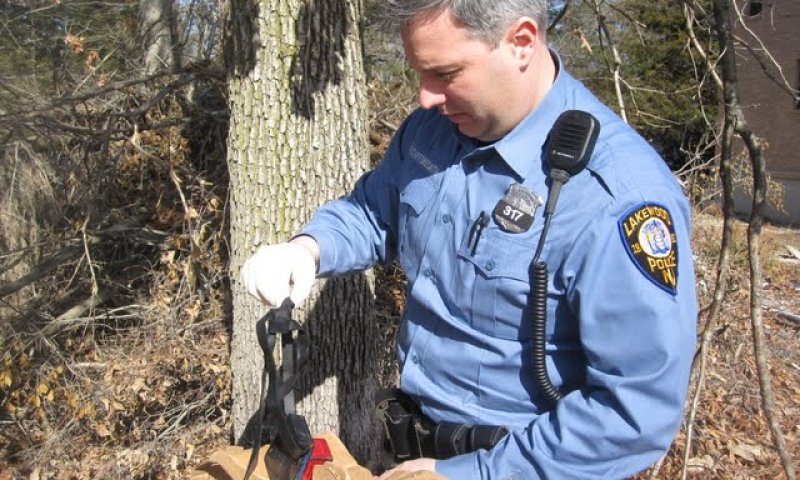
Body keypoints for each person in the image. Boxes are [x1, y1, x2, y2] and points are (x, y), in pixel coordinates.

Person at [240, 1, 698, 479]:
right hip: (403, 449)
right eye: (419, 72)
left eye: (446, 73)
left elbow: (633, 415)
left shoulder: (617, 197)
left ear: (521, 42)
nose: (425, 97)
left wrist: (469, 474)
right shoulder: (434, 130)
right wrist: (308, 249)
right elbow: (376, 212)